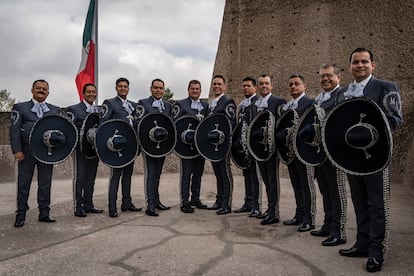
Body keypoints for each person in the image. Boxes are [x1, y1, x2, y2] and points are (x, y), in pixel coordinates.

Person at [338, 48, 402, 273]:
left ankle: (377, 251)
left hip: (376, 158)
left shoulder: (386, 87)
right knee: (358, 202)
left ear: (373, 65)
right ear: (350, 66)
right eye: (356, 62)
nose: (360, 65)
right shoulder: (343, 92)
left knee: (377, 205)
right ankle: (362, 244)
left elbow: (395, 119)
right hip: (350, 158)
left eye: (365, 61)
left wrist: (367, 133)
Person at [10, 79, 60, 227]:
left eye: (44, 89)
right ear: (32, 90)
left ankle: (44, 213)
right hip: (26, 151)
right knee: (23, 183)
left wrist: (57, 152)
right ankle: (21, 215)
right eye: (38, 88)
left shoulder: (54, 109)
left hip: (46, 152)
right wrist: (17, 150)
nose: (41, 90)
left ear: (48, 92)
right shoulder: (20, 107)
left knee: (45, 183)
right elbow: (14, 130)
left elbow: (59, 131)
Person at [310, 64, 348, 246]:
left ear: (339, 76)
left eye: (329, 76)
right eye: (322, 76)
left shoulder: (343, 95)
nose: (325, 79)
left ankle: (338, 231)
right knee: (325, 191)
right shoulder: (319, 99)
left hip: (336, 154)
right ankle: (327, 225)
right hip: (320, 154)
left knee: (337, 192)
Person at [279, 74, 316, 232]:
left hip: (305, 152)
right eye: (291, 84)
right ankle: (299, 215)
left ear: (304, 86)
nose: (293, 87)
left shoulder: (311, 103)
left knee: (307, 186)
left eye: (296, 84)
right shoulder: (288, 106)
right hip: (291, 153)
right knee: (296, 184)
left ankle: (309, 218)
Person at [101, 77, 141, 218]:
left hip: (131, 145)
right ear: (116, 88)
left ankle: (127, 203)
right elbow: (104, 123)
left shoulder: (134, 105)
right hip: (117, 145)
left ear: (128, 88)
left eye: (125, 86)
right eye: (120, 86)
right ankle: (112, 207)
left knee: (128, 175)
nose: (123, 88)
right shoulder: (110, 103)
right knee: (116, 176)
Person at [252, 74, 286, 225]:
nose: (264, 86)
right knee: (265, 180)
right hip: (259, 148)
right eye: (261, 84)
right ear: (258, 87)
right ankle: (269, 208)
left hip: (272, 149)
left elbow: (283, 124)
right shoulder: (255, 104)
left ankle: (274, 212)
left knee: (272, 180)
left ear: (271, 86)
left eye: (266, 83)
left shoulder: (278, 102)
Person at [171, 80, 209, 213]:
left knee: (198, 174)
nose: (195, 91)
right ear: (188, 90)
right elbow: (174, 124)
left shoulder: (205, 106)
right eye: (192, 89)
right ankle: (185, 202)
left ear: (200, 91)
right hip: (185, 147)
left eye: (197, 89)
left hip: (200, 147)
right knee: (186, 174)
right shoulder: (180, 104)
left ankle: (195, 199)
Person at [136, 78, 172, 217]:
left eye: (161, 88)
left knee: (157, 175)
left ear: (163, 90)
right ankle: (150, 205)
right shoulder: (143, 103)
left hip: (162, 146)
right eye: (156, 88)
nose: (158, 90)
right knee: (151, 175)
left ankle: (157, 202)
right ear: (151, 89)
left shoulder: (168, 105)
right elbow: (139, 122)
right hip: (149, 145)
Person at [67, 83, 103, 217]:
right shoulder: (74, 109)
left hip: (94, 150)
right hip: (80, 149)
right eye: (89, 92)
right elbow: (69, 129)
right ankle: (78, 206)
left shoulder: (99, 111)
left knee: (91, 178)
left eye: (94, 92)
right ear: (83, 93)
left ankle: (89, 204)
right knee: (80, 178)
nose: (91, 94)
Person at [206, 75, 236, 215]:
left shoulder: (228, 102)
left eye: (219, 84)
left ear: (224, 86)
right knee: (218, 174)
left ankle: (226, 204)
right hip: (212, 145)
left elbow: (230, 123)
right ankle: (218, 201)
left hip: (223, 145)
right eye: (215, 84)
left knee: (225, 174)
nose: (216, 86)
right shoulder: (211, 103)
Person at [233, 77, 261, 217]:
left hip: (254, 146)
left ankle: (256, 205)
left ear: (255, 87)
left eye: (248, 86)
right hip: (243, 147)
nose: (245, 88)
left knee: (255, 177)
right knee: (247, 175)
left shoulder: (258, 103)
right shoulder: (243, 105)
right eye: (243, 86)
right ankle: (248, 202)